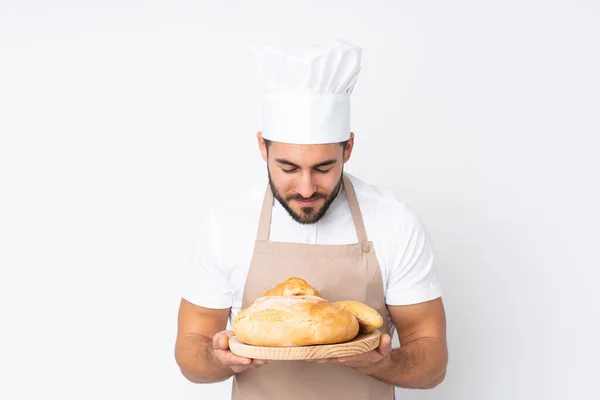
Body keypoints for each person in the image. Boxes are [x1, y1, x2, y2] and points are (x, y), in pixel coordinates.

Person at [174, 40, 448, 399]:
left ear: (348, 148)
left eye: (323, 168)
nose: (305, 188)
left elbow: (433, 362)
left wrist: (380, 363)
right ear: (262, 147)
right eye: (288, 168)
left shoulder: (393, 222)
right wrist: (219, 357)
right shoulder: (225, 224)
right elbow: (189, 353)